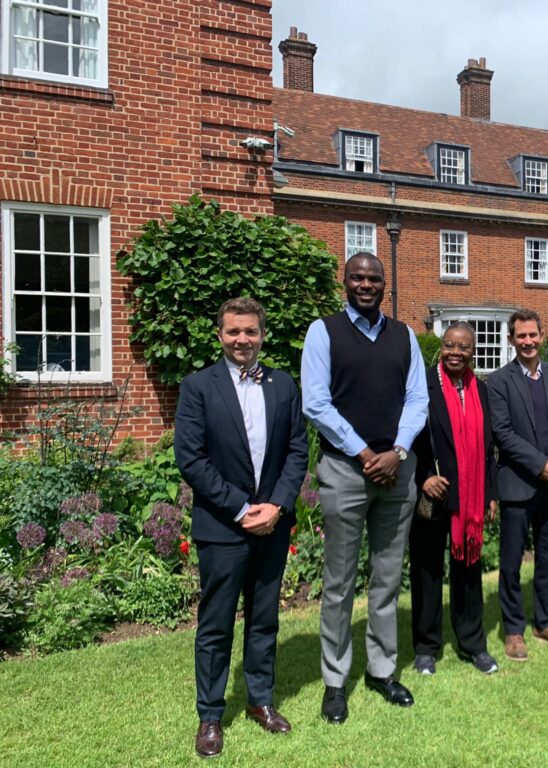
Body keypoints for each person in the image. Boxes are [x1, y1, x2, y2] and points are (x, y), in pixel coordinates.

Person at [175, 297, 308, 759]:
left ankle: (260, 700)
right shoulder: (198, 386)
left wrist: (276, 505)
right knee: (215, 625)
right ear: (220, 334)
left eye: (250, 331)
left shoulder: (283, 384)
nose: (242, 340)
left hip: (272, 523)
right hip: (223, 527)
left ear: (262, 335)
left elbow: (297, 450)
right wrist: (242, 508)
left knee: (264, 619)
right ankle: (210, 715)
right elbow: (191, 459)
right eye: (233, 332)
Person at [301, 252, 428, 723]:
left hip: (396, 470)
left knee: (387, 578)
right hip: (346, 471)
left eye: (374, 278)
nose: (366, 284)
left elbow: (418, 397)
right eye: (358, 277)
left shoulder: (404, 335)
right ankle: (335, 681)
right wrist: (364, 453)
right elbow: (315, 403)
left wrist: (396, 450)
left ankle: (382, 669)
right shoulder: (323, 332)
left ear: (384, 283)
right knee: (338, 582)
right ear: (345, 281)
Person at [488, 309, 548, 661]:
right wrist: (540, 464)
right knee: (511, 562)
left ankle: (546, 622)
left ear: (542, 336)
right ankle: (513, 630)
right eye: (520, 336)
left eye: (533, 335)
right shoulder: (498, 382)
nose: (527, 341)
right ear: (511, 339)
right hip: (517, 484)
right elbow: (503, 434)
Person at [410, 322, 500, 676]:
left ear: (472, 351)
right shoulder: (422, 387)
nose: (456, 353)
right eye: (449, 345)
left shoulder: (482, 389)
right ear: (440, 346)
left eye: (463, 347)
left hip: (471, 497)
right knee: (427, 569)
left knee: (468, 569)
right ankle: (426, 647)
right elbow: (410, 438)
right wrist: (423, 478)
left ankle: (472, 642)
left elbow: (488, 446)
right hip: (434, 492)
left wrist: (491, 493)